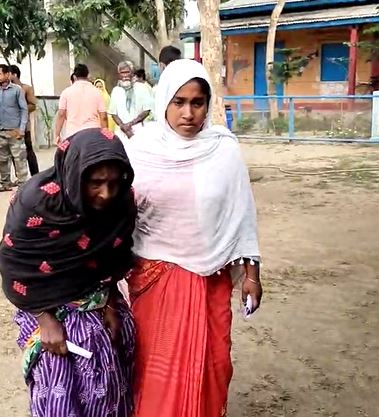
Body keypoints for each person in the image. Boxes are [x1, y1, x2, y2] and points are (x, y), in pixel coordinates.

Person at [124, 59, 263, 417]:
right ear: (164, 102)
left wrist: (251, 275)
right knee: (157, 369)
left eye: (197, 103)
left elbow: (241, 212)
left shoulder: (224, 149)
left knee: (213, 363)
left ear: (207, 104)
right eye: (179, 102)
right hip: (155, 279)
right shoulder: (140, 150)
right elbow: (119, 214)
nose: (188, 113)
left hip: (211, 278)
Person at [0, 127, 136, 417]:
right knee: (58, 394)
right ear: (74, 174)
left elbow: (116, 254)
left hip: (99, 304)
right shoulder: (35, 204)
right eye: (95, 182)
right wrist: (45, 320)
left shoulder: (122, 201)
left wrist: (110, 301)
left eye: (114, 182)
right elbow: (14, 265)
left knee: (108, 387)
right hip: (47, 310)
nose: (106, 193)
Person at [0, 64, 29, 192]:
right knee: (2, 159)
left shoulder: (17, 90)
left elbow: (24, 109)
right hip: (1, 131)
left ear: (7, 74)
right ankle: (5, 183)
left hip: (15, 131)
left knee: (19, 159)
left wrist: (22, 129)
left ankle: (23, 184)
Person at [54, 64, 107, 144]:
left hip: (72, 135)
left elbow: (61, 114)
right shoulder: (97, 92)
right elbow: (103, 117)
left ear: (74, 77)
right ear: (88, 75)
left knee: (61, 154)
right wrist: (106, 135)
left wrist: (57, 135)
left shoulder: (66, 92)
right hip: (93, 134)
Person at [108, 61, 152, 141]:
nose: (125, 76)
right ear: (119, 75)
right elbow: (113, 113)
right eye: (122, 73)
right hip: (121, 132)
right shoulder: (116, 90)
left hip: (138, 130)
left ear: (132, 73)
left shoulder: (142, 88)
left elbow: (147, 110)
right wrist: (123, 126)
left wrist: (131, 124)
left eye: (127, 72)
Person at [9, 65, 39, 175]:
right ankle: (20, 176)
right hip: (11, 127)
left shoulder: (26, 88)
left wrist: (20, 109)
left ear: (14, 74)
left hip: (24, 126)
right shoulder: (7, 90)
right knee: (14, 153)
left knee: (29, 151)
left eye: (9, 74)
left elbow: (33, 105)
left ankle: (35, 175)